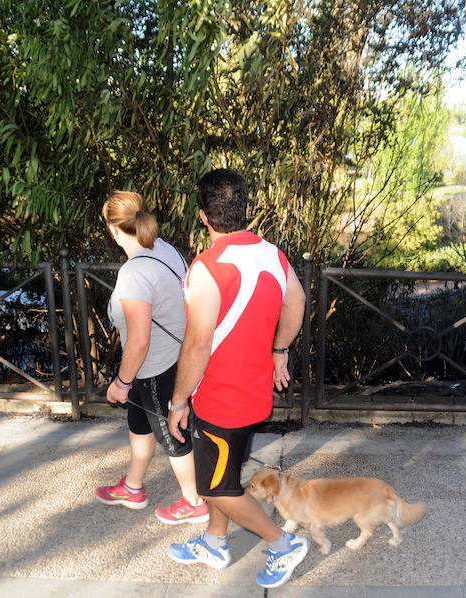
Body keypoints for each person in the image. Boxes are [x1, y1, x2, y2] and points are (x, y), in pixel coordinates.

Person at [165, 169, 308, 589]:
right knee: (222, 477)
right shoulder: (273, 254)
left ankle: (282, 544)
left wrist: (178, 401)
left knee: (215, 488)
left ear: (203, 217)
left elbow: (196, 346)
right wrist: (279, 351)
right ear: (245, 209)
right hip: (254, 395)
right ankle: (214, 541)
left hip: (222, 402)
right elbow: (296, 300)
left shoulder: (208, 267)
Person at [94, 190, 210, 526]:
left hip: (154, 368)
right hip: (174, 357)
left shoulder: (133, 273)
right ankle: (132, 487)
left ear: (114, 230)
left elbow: (139, 340)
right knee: (140, 425)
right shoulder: (166, 250)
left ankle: (194, 502)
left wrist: (121, 382)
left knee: (171, 435)